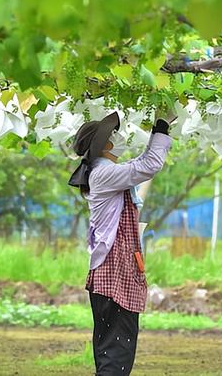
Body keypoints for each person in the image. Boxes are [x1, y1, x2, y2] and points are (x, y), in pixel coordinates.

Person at [68, 112, 173, 375]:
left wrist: (158, 132)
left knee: (111, 350)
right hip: (115, 271)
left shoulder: (104, 172)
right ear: (104, 145)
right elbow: (148, 166)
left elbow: (139, 164)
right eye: (113, 135)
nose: (119, 137)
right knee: (116, 352)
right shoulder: (104, 173)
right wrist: (161, 127)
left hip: (111, 270)